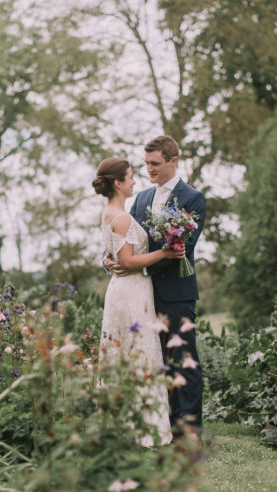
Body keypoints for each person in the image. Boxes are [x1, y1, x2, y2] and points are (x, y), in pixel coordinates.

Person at [104, 136, 207, 439]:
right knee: (151, 360)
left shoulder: (193, 198)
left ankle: (189, 430)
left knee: (183, 360)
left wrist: (139, 265)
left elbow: (181, 250)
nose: (148, 169)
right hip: (142, 295)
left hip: (176, 294)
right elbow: (128, 239)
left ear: (173, 161)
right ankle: (159, 423)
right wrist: (109, 259)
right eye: (146, 163)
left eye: (155, 164)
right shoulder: (142, 198)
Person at [93, 157, 185, 447]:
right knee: (138, 352)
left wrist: (110, 260)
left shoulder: (112, 212)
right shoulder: (120, 217)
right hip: (130, 290)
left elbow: (117, 255)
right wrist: (165, 254)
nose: (135, 181)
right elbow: (129, 260)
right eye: (130, 177)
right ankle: (143, 428)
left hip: (126, 288)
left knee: (126, 352)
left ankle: (121, 423)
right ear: (118, 183)